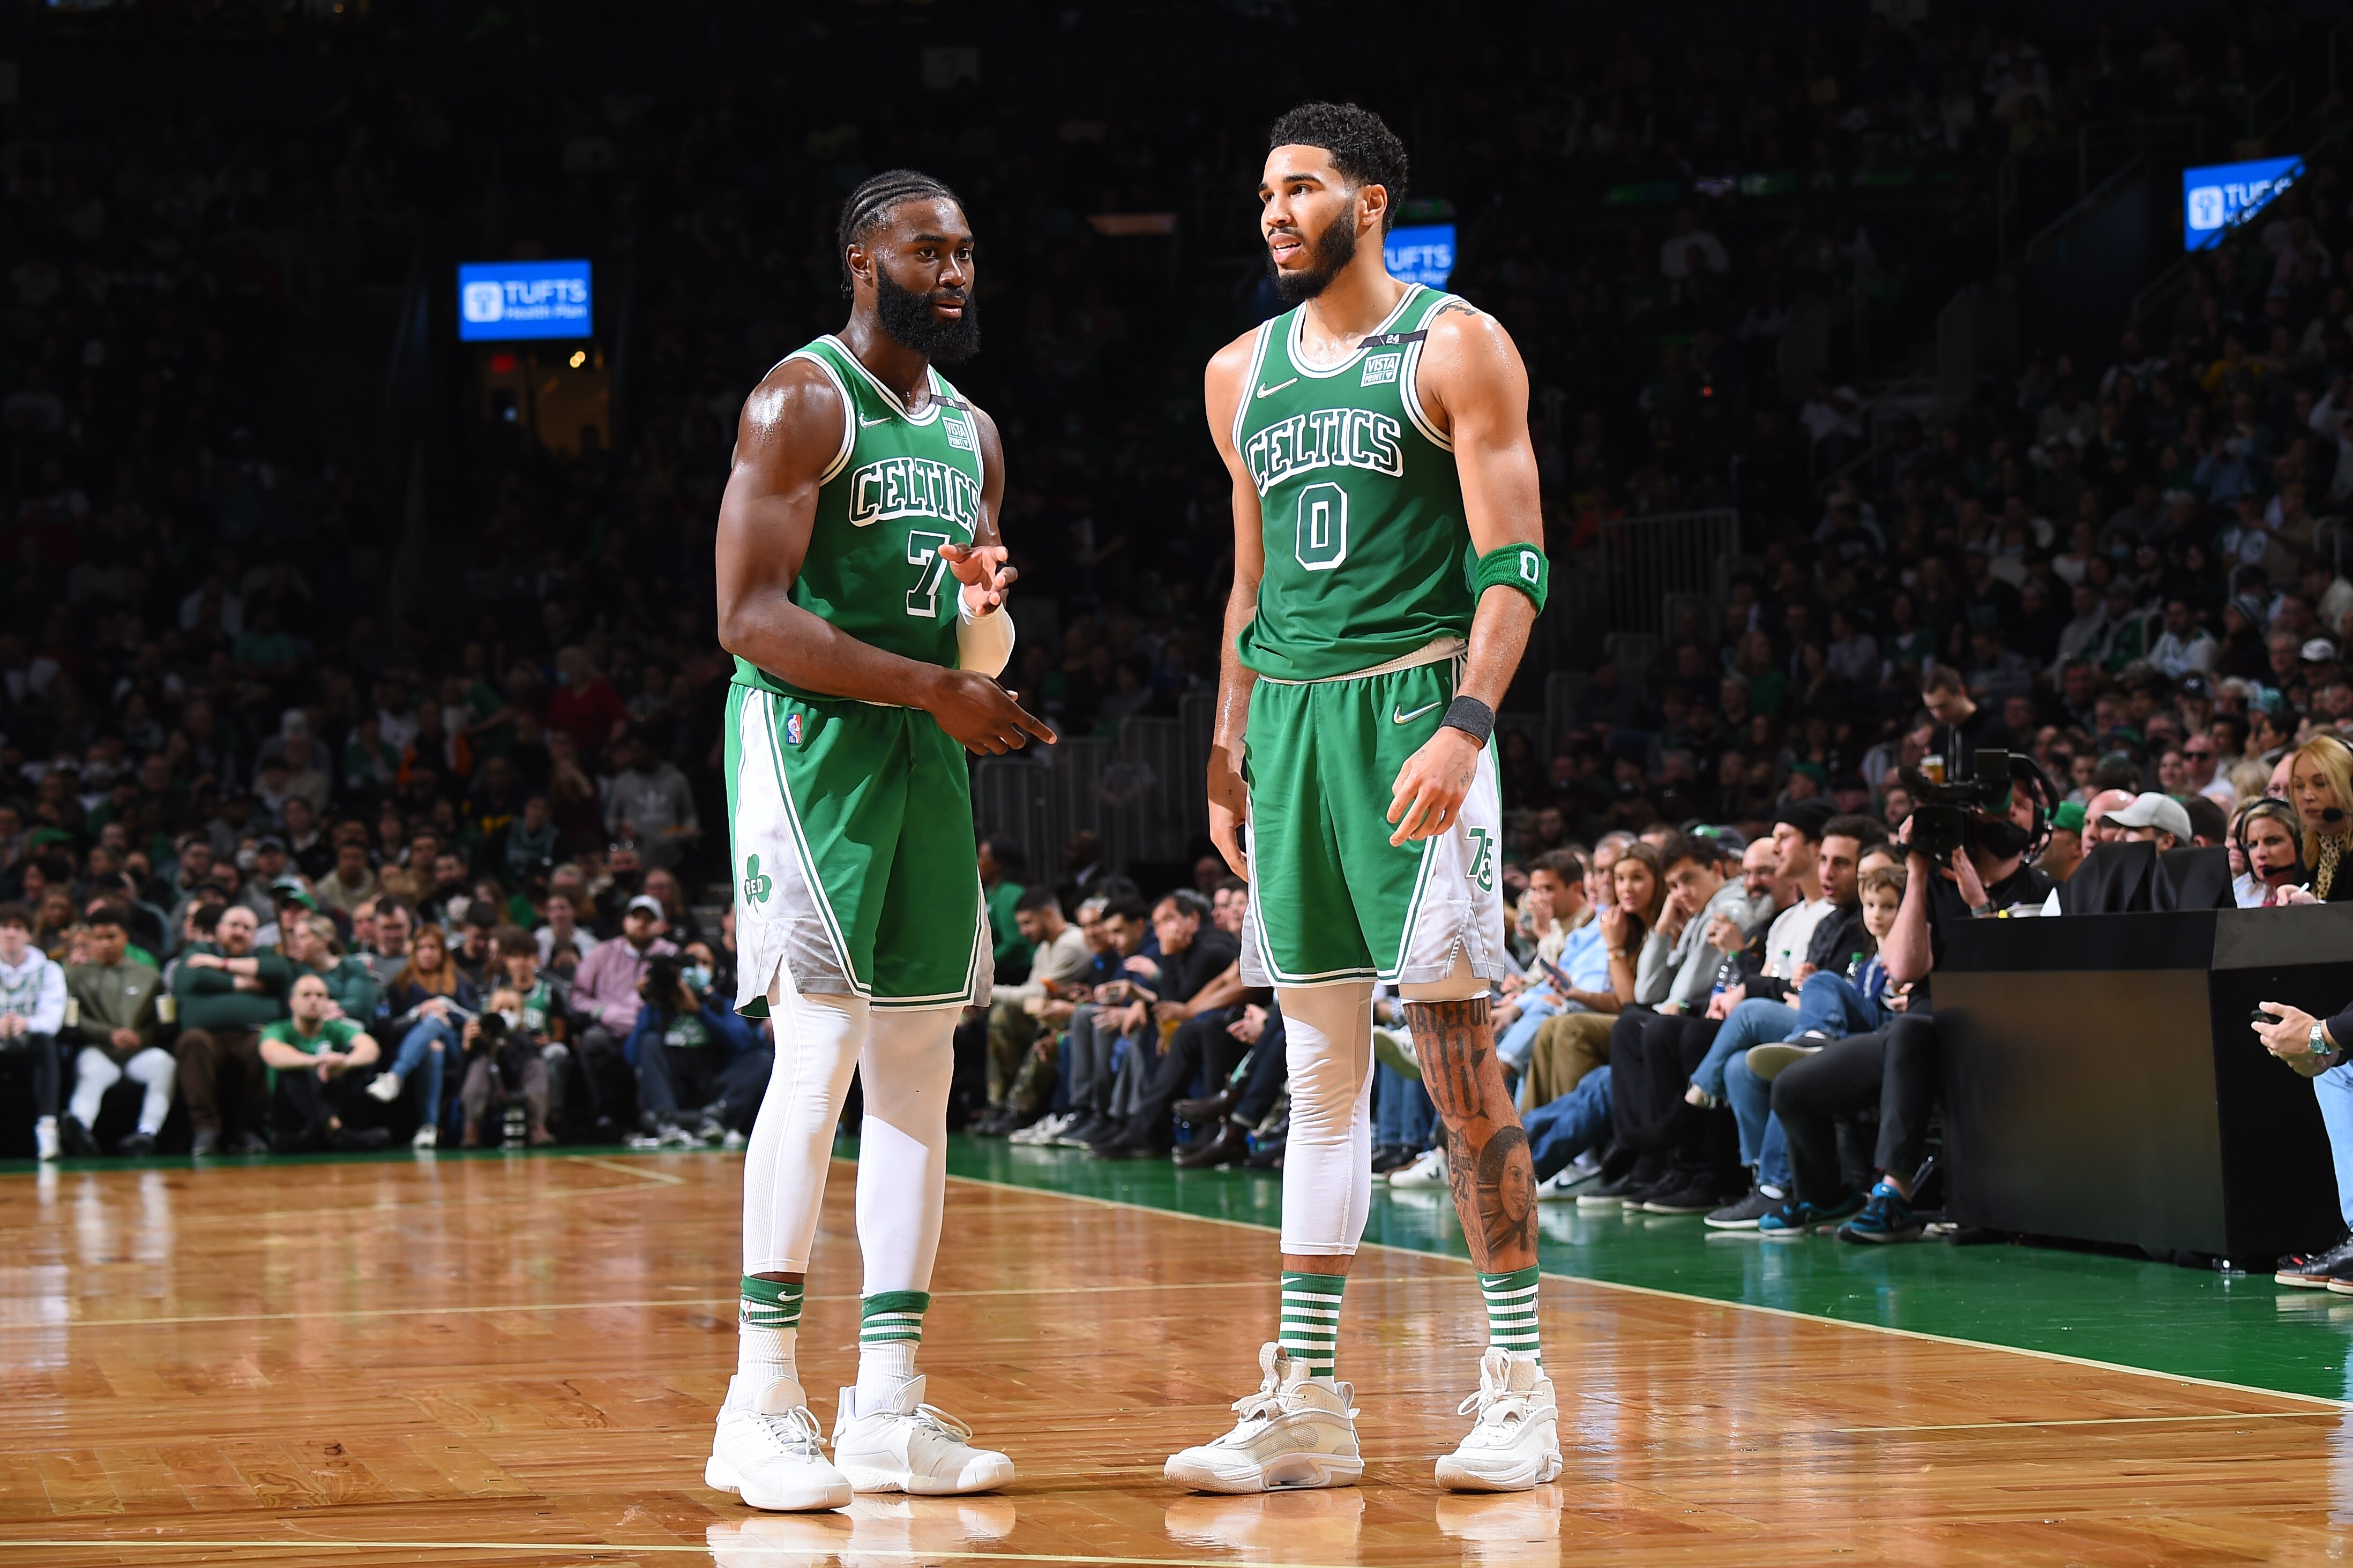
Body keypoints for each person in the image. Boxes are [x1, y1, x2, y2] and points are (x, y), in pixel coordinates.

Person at [1171, 103, 1557, 1497]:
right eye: (1262, 190)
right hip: (1286, 724)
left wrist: (1467, 723)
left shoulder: (1455, 343)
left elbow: (1513, 560)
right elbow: (1247, 581)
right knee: (1318, 1072)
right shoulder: (1235, 373)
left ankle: (1518, 1383)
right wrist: (1223, 740)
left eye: (1299, 187)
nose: (1272, 210)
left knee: (1453, 1054)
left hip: (1412, 707)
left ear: (1370, 200)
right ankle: (1308, 1398)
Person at [706, 167, 1049, 1510]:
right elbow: (746, 615)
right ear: (863, 259)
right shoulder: (802, 400)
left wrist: (981, 622)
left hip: (922, 745)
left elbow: (978, 639)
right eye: (927, 249)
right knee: (823, 1045)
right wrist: (931, 685)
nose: (955, 271)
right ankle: (760, 1400)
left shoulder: (973, 430)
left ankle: (888, 1406)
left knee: (920, 1057)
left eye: (967, 251)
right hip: (810, 749)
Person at [1756, 776, 2054, 1240]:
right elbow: (1902, 966)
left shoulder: (2038, 888)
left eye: (2019, 805)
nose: (2008, 815)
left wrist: (1978, 903)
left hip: (1989, 1028)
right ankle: (1827, 1195)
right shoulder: (1933, 882)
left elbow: (2018, 980)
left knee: (1910, 1029)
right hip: (1910, 1026)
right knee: (1793, 1087)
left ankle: (1894, 1195)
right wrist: (1916, 871)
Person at [172, 902, 293, 1156]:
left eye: (247, 928)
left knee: (265, 1043)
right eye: (233, 926)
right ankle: (206, 1131)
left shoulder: (266, 954)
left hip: (250, 1034)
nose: (239, 932)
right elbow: (193, 977)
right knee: (192, 1041)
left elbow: (280, 971)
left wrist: (219, 965)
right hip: (207, 1036)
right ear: (218, 930)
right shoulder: (197, 950)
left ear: (256, 934)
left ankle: (249, 1131)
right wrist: (247, 983)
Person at [61, 902, 171, 1157]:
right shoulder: (75, 976)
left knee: (165, 1064)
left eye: (111, 937)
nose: (105, 944)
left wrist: (140, 1038)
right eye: (98, 938)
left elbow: (160, 1022)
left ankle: (147, 1133)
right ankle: (80, 1129)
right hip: (99, 1050)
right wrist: (108, 1034)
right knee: (91, 1071)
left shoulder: (148, 975)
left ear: (126, 937)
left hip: (137, 1053)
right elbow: (72, 1020)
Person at [368, 921, 478, 1150]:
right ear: (414, 952)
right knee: (432, 1048)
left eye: (433, 948)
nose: (427, 953)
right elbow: (389, 1028)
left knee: (436, 1020)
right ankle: (428, 1127)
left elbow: (474, 1018)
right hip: (414, 1049)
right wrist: (418, 1013)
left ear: (443, 952)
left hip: (455, 1048)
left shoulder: (460, 982)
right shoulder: (401, 984)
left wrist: (443, 1006)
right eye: (422, 948)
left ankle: (395, 1078)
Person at [259, 973, 390, 1153]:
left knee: (351, 1054)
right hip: (292, 1119)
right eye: (306, 995)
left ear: (328, 1002)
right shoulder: (278, 1029)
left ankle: (323, 1132)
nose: (314, 1001)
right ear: (292, 1003)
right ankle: (335, 1131)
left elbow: (371, 1048)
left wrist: (345, 1063)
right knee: (292, 1068)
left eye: (320, 996)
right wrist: (315, 1062)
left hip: (333, 1102)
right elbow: (272, 1054)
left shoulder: (336, 1029)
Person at [0, 902, 68, 1161]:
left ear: (29, 935)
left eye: (18, 928)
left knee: (46, 1044)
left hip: (30, 1044)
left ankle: (47, 1129)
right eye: (5, 927)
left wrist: (26, 1024)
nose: (11, 933)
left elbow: (53, 1019)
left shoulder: (48, 970)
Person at [2286, 737, 2353, 901]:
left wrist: (2318, 911)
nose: (2307, 796)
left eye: (2321, 784)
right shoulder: (2308, 851)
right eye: (2299, 786)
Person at [2232, 797, 2315, 907]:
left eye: (2272, 841)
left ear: (2300, 844)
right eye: (2253, 845)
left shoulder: (2321, 892)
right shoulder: (2239, 893)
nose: (2261, 854)